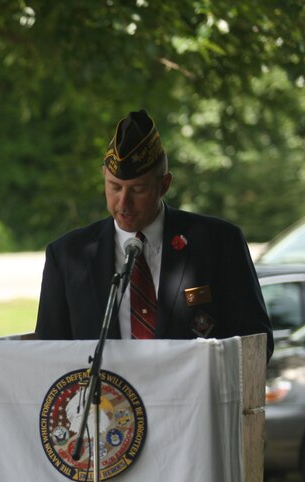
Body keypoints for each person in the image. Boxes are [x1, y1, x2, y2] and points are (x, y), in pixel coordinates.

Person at [35, 109, 273, 359]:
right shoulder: (68, 256)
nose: (123, 202)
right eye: (114, 187)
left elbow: (257, 343)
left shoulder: (218, 243)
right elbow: (49, 354)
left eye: (138, 189)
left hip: (194, 396)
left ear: (164, 185)